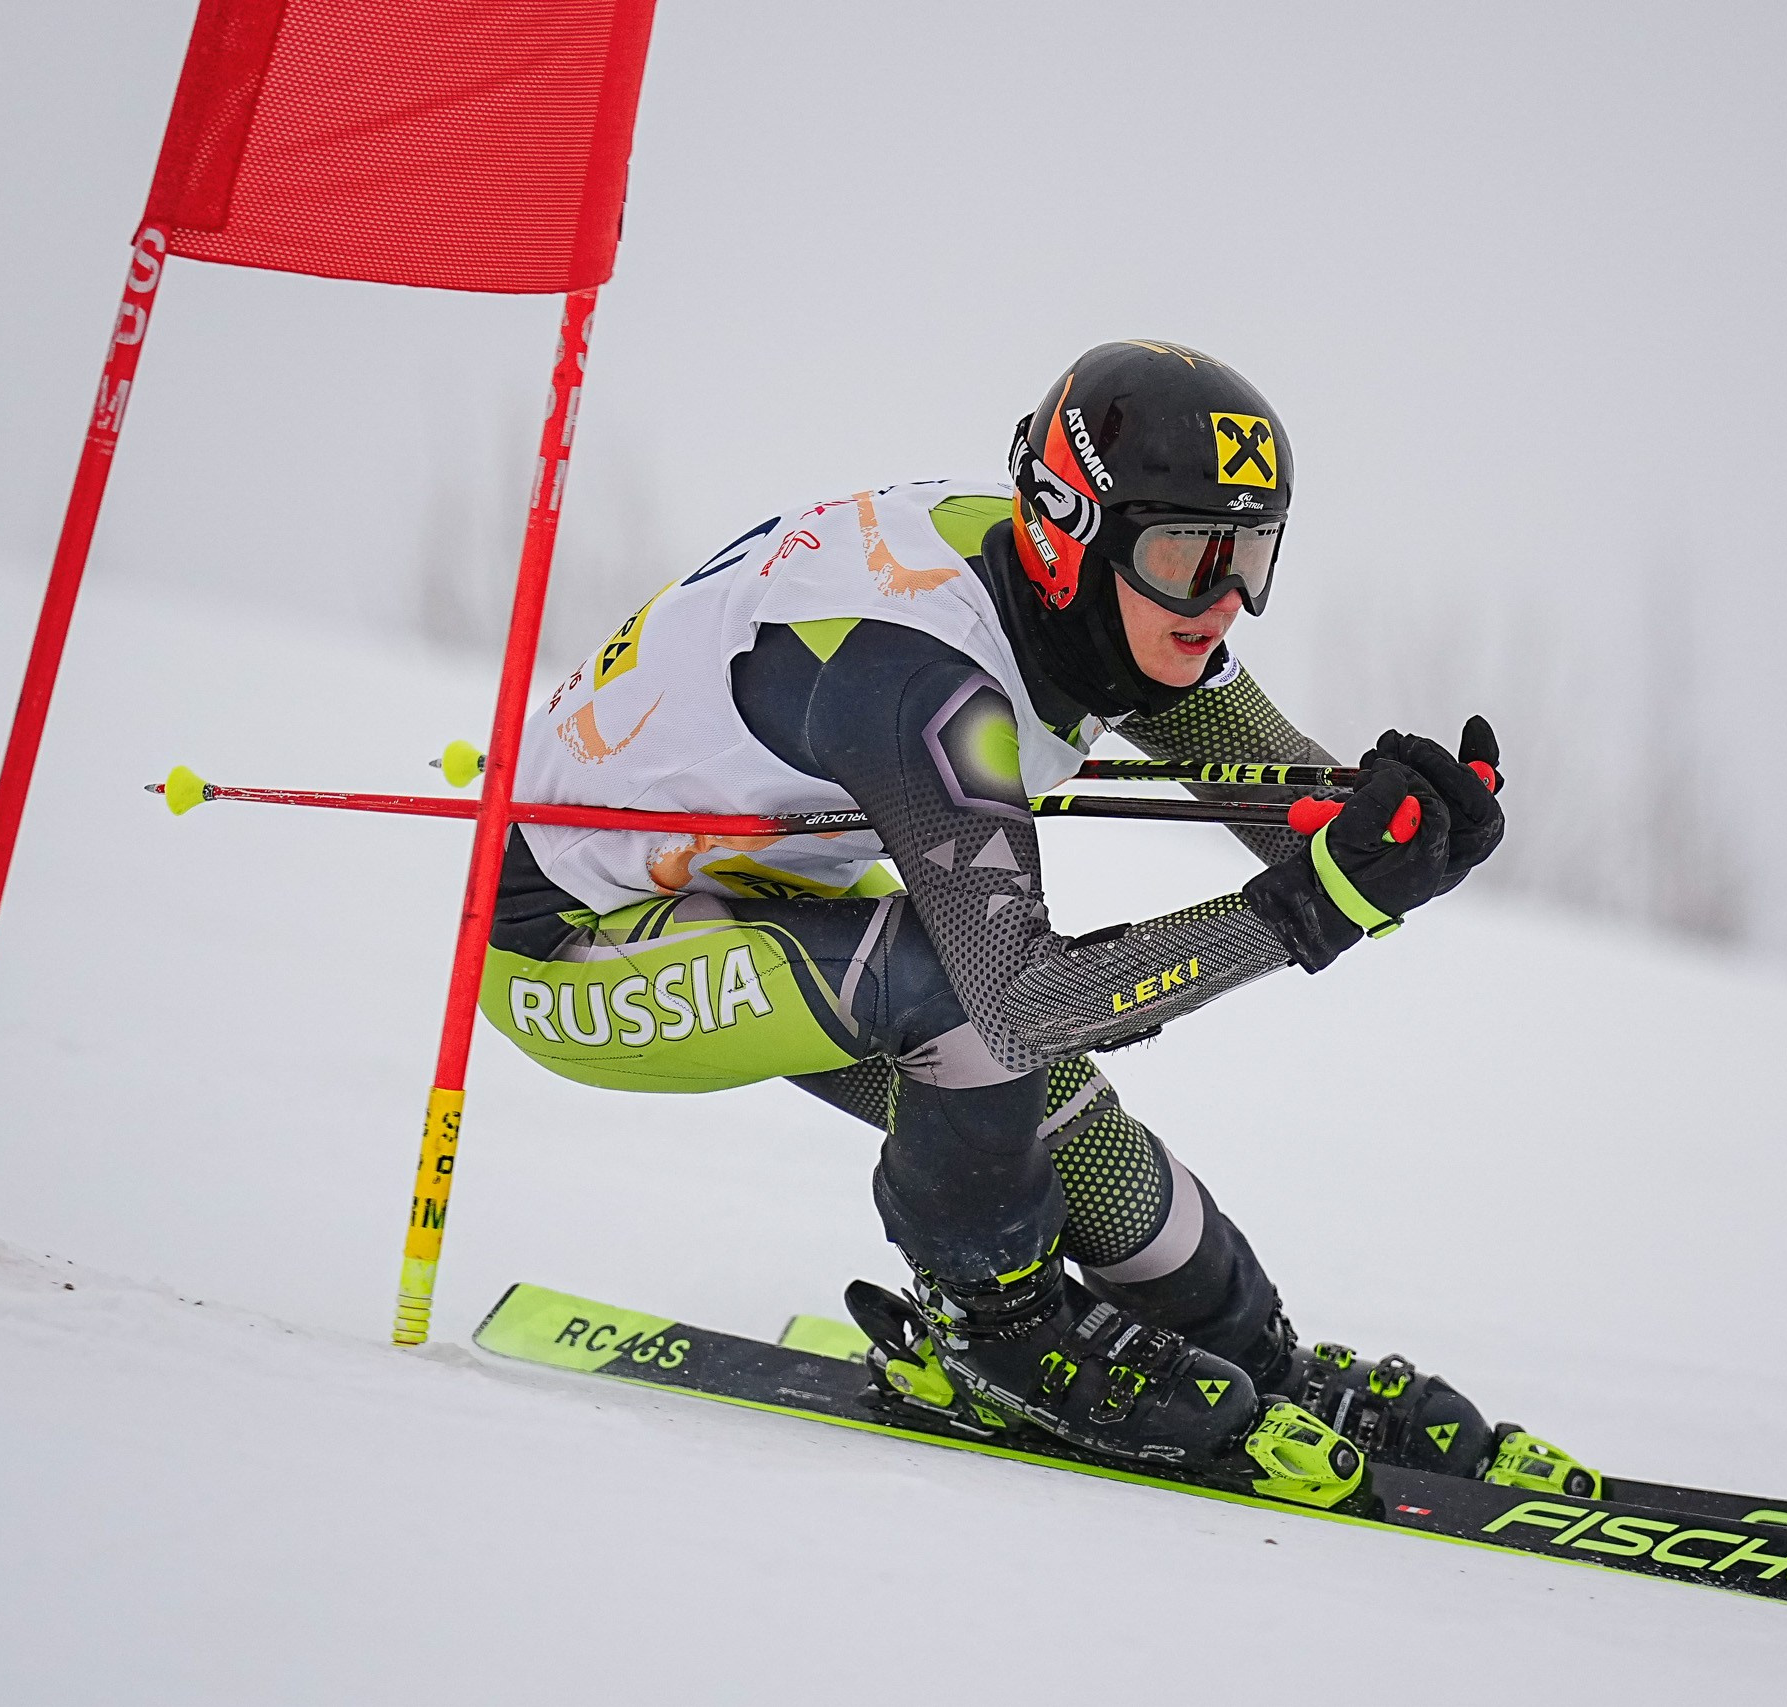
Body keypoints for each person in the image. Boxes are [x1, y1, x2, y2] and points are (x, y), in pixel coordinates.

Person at [484, 339, 1590, 1496]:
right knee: (970, 1007)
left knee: (1048, 1111)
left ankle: (1255, 1354)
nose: (1222, 603)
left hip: (743, 888)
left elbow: (1287, 815)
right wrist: (1315, 909)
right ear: (1074, 527)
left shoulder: (1109, 600)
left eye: (1250, 557)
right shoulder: (923, 676)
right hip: (559, 945)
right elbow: (1022, 1001)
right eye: (1188, 556)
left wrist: (1404, 837)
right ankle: (992, 1329)